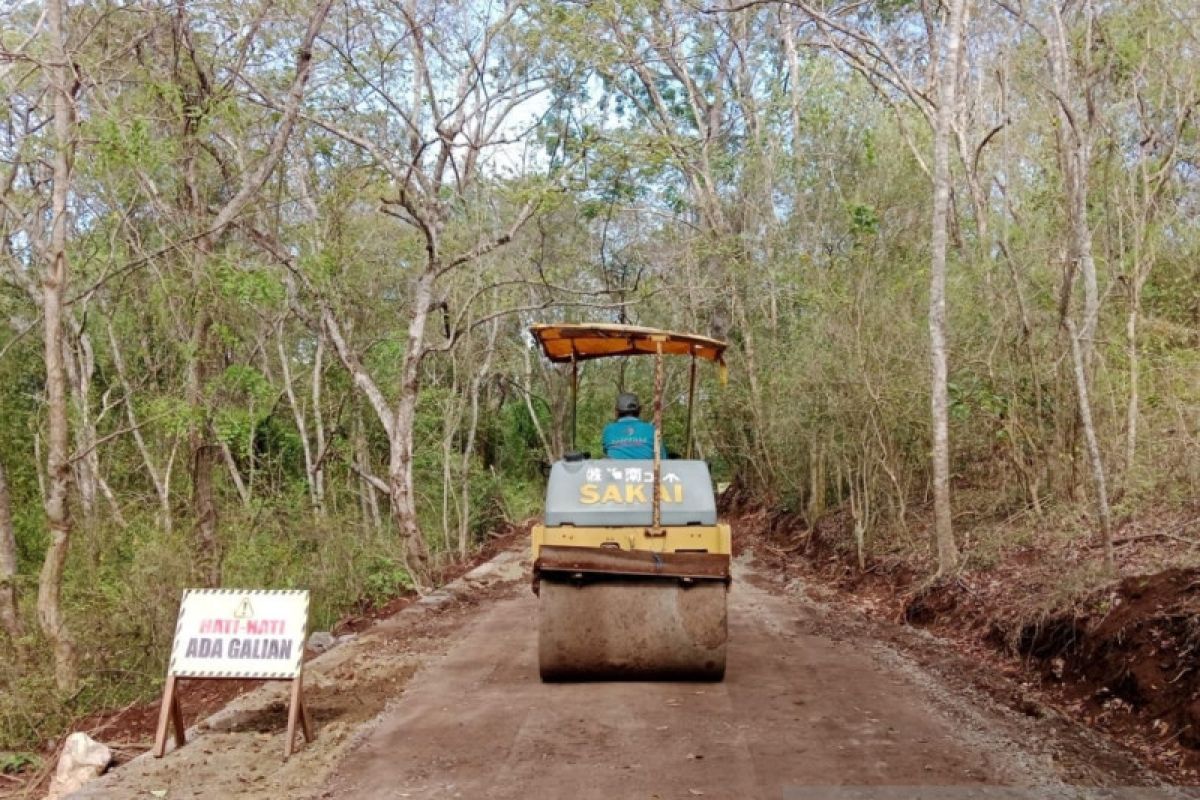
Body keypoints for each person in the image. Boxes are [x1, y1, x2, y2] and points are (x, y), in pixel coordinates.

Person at [602, 392, 665, 460]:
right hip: (646, 470)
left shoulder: (608, 430)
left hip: (616, 470)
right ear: (640, 410)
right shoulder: (652, 430)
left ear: (616, 412)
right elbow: (663, 458)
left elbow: (607, 452)